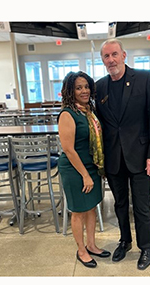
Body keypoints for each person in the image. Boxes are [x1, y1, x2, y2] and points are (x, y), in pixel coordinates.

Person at [94, 39, 150, 270]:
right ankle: (125, 241)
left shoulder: (144, 78)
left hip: (142, 156)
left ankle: (146, 247)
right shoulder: (100, 87)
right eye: (106, 56)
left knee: (142, 206)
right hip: (114, 158)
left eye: (114, 54)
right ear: (102, 60)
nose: (111, 60)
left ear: (124, 55)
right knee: (120, 204)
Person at [57, 71, 110, 268]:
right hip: (75, 170)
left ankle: (92, 245)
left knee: (91, 207)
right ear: (70, 91)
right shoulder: (67, 114)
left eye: (86, 86)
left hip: (92, 167)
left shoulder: (89, 111)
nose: (84, 91)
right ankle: (81, 250)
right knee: (79, 211)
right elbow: (69, 150)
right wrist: (85, 175)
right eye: (78, 87)